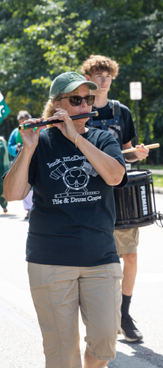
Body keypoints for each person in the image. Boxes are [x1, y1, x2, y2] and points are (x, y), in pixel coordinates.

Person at [3, 72, 127, 368]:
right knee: (61, 353)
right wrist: (28, 148)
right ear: (57, 105)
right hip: (50, 260)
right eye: (75, 99)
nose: (84, 105)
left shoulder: (102, 138)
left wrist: (76, 138)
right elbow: (12, 193)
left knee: (105, 341)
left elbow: (114, 175)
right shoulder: (40, 142)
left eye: (88, 99)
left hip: (101, 257)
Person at [81, 54, 149, 343]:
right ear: (89, 78)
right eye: (98, 74)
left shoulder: (121, 112)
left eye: (107, 74)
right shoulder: (80, 109)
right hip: (91, 192)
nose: (103, 79)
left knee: (130, 255)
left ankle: (124, 313)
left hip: (121, 192)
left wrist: (138, 154)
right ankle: (100, 317)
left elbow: (126, 151)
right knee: (97, 259)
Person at [9, 111, 34, 219]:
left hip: (35, 159)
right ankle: (29, 210)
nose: (23, 125)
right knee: (25, 184)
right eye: (21, 123)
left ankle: (36, 207)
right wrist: (17, 148)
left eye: (25, 122)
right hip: (22, 162)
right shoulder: (15, 132)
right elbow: (10, 146)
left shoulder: (37, 128)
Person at [0, 135, 8, 213]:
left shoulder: (2, 141)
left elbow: (6, 153)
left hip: (2, 169)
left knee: (2, 188)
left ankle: (4, 205)